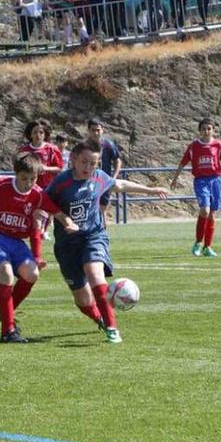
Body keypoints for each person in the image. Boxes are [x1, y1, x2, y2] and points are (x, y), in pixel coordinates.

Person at [47, 140, 168, 343]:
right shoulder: (61, 182)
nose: (88, 168)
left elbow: (119, 184)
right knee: (82, 299)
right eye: (85, 162)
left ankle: (112, 328)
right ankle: (100, 319)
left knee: (95, 274)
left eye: (93, 163)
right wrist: (62, 218)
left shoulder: (99, 178)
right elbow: (44, 202)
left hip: (93, 236)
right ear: (74, 160)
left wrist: (150, 190)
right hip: (67, 245)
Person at [0, 153, 78, 343]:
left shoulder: (38, 195)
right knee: (6, 274)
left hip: (16, 242)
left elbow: (57, 212)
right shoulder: (1, 185)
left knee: (32, 274)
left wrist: (69, 223)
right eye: (24, 178)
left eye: (32, 179)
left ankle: (5, 311)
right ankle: (8, 331)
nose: (28, 183)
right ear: (16, 174)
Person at [169, 118, 221, 257]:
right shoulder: (194, 146)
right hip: (201, 181)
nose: (206, 131)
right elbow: (183, 163)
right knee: (205, 209)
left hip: (215, 180)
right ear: (199, 131)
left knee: (211, 214)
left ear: (213, 130)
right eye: (204, 129)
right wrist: (175, 179)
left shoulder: (219, 145)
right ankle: (197, 243)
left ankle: (207, 247)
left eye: (209, 128)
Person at [19, 120, 65, 267]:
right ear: (30, 134)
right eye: (35, 132)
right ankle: (33, 253)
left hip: (46, 190)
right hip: (29, 189)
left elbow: (59, 168)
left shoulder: (51, 149)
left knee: (38, 220)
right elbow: (18, 169)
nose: (38, 135)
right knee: (34, 221)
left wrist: (45, 168)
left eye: (41, 132)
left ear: (45, 134)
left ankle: (36, 256)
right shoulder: (24, 150)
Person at [85, 117, 121, 224]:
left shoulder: (108, 144)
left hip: (103, 182)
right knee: (90, 209)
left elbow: (117, 161)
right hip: (88, 182)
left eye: (98, 130)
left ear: (102, 130)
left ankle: (102, 233)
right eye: (93, 130)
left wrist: (113, 178)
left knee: (102, 209)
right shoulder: (84, 146)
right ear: (88, 130)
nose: (96, 133)